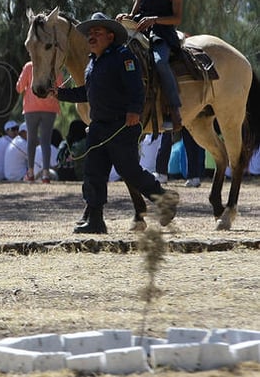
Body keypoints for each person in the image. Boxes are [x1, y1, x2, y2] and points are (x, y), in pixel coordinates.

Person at [49, 12, 179, 234]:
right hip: (99, 126)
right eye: (90, 33)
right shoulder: (92, 64)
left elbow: (136, 88)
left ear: (110, 36)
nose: (91, 36)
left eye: (97, 32)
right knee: (93, 172)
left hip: (121, 125)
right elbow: (87, 92)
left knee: (129, 170)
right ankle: (96, 221)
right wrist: (60, 94)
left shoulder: (123, 56)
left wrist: (134, 111)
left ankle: (164, 199)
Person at [116, 0, 184, 134]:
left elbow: (177, 19)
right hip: (139, 32)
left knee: (160, 62)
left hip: (162, 34)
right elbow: (134, 13)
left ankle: (173, 109)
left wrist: (154, 20)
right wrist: (125, 17)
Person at [17, 61, 62, 183]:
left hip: (31, 108)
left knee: (31, 140)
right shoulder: (54, 67)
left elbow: (19, 87)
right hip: (50, 107)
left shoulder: (29, 66)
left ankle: (30, 173)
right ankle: (46, 174)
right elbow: (61, 87)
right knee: (46, 141)